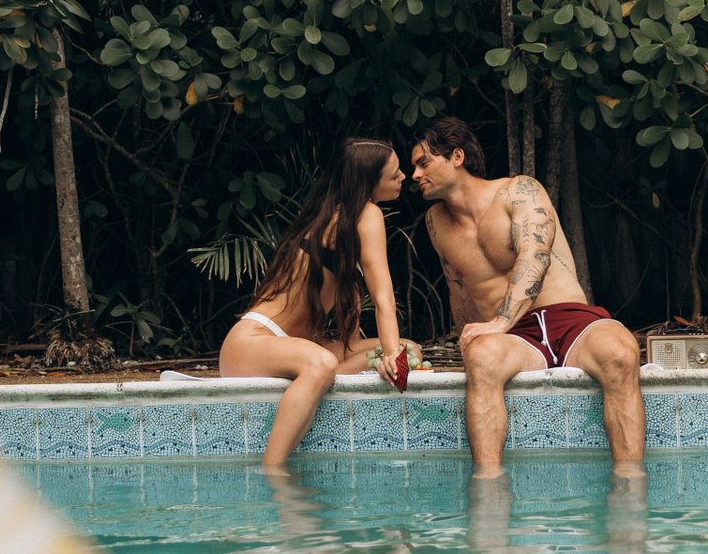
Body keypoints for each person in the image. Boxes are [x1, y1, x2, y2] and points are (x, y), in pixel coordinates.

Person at [410, 116, 644, 476]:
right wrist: (467, 343)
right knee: (481, 359)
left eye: (423, 163)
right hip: (514, 338)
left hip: (570, 320)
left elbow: (535, 256)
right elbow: (459, 289)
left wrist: (500, 320)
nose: (415, 174)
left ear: (457, 156)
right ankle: (488, 487)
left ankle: (630, 481)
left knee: (621, 352)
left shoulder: (519, 190)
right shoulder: (435, 222)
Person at [219, 138, 423, 467]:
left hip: (290, 346)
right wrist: (389, 356)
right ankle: (273, 471)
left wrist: (394, 354)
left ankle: (318, 383)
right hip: (253, 343)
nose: (403, 177)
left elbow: (352, 336)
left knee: (409, 349)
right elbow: (383, 297)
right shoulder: (367, 213)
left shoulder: (340, 218)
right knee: (326, 363)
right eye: (394, 173)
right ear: (369, 182)